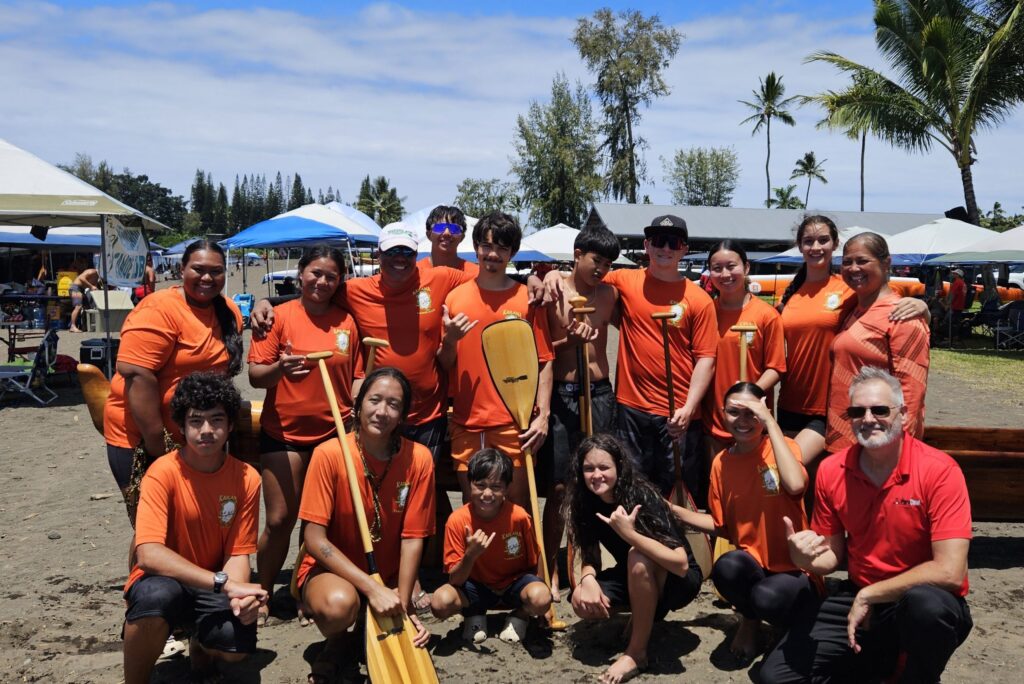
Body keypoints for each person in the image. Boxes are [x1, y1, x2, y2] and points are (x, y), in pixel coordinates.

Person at [760, 367, 973, 683]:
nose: (868, 418)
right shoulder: (833, 470)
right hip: (860, 592)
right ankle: (878, 664)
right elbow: (832, 554)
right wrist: (805, 559)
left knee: (927, 608)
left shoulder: (939, 471)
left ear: (902, 414)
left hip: (917, 598)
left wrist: (871, 594)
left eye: (880, 409)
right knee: (774, 677)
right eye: (857, 411)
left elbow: (950, 572)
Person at [550, 214, 717, 505]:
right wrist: (550, 274)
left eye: (673, 242)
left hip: (676, 413)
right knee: (631, 489)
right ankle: (639, 549)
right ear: (647, 246)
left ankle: (677, 550)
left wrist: (689, 408)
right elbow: (581, 275)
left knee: (677, 490)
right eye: (658, 241)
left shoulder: (699, 298)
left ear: (684, 249)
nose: (665, 248)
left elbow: (706, 358)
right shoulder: (623, 280)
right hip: (631, 409)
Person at [122, 371, 266, 684]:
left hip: (214, 580)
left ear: (230, 426)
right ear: (182, 426)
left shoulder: (247, 479)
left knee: (236, 640)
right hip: (163, 580)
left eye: (216, 420)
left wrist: (239, 597)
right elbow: (148, 554)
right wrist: (223, 584)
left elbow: (238, 553)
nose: (206, 431)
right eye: (196, 421)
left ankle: (201, 643)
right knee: (155, 598)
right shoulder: (162, 473)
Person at [297, 367, 435, 682]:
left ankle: (364, 626)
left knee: (400, 603)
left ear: (402, 415)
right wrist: (371, 588)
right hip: (331, 573)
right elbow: (314, 539)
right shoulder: (329, 454)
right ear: (358, 407)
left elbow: (413, 538)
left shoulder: (420, 459)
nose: (382, 411)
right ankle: (338, 640)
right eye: (374, 400)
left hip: (386, 574)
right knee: (338, 607)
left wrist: (405, 605)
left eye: (393, 404)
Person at [248, 246, 362, 626]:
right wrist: (280, 369)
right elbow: (255, 375)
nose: (322, 282)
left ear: (340, 280)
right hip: (284, 433)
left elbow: (357, 374)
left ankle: (303, 591)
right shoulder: (277, 317)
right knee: (281, 519)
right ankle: (262, 591)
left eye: (331, 276)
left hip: (336, 432)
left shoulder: (347, 320)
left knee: (318, 522)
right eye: (315, 273)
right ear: (299, 274)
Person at [674, 383, 816, 662]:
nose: (743, 421)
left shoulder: (784, 448)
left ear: (764, 415)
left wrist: (770, 422)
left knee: (767, 598)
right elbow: (721, 526)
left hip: (796, 569)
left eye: (751, 414)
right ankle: (751, 622)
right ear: (722, 414)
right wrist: (672, 511)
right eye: (734, 412)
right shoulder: (720, 464)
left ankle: (787, 628)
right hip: (754, 565)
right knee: (726, 568)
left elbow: (796, 485)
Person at [777, 216, 928, 466]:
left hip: (828, 409)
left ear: (834, 243)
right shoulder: (792, 294)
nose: (816, 247)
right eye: (808, 241)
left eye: (823, 240)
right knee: (808, 487)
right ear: (799, 246)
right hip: (790, 403)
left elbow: (891, 307)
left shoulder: (850, 288)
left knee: (789, 468)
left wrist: (923, 307)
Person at [104, 240, 243, 509]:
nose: (206, 278)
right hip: (143, 439)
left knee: (197, 519)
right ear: (182, 270)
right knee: (153, 524)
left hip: (200, 437)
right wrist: (159, 446)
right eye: (198, 269)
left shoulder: (229, 311)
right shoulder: (158, 309)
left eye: (216, 271)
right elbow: (138, 375)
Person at [439, 211, 554, 508]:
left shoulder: (526, 300)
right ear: (476, 246)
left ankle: (523, 557)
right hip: (467, 422)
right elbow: (445, 362)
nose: (493, 254)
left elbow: (544, 360)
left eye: (502, 248)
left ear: (513, 253)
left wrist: (542, 416)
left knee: (516, 506)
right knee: (474, 504)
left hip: (515, 424)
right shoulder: (455, 298)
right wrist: (449, 340)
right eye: (487, 246)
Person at [566, 433, 702, 684]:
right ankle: (645, 615)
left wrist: (628, 534)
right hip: (634, 571)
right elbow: (590, 555)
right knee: (580, 601)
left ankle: (636, 653)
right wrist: (588, 578)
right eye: (588, 468)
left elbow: (681, 564)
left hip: (677, 581)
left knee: (637, 556)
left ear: (619, 467)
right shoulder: (584, 501)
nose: (596, 475)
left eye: (604, 467)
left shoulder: (641, 497)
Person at [540, 226, 620, 597]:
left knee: (598, 483)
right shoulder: (553, 289)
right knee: (559, 487)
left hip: (600, 392)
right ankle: (550, 568)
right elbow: (542, 347)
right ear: (577, 254)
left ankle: (589, 565)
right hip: (563, 393)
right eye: (595, 260)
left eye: (607, 263)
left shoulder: (610, 294)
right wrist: (568, 340)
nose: (600, 269)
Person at [430, 449, 552, 644]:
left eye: (496, 486)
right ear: (469, 484)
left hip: (513, 585)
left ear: (507, 488)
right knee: (440, 602)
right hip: (476, 588)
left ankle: (521, 615)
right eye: (480, 485)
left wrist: (542, 607)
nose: (487, 493)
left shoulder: (519, 516)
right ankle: (473, 613)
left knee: (542, 598)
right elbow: (455, 579)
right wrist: (470, 555)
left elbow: (535, 560)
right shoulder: (457, 520)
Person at [825, 232, 930, 453]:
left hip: (880, 444)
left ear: (886, 263)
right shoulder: (852, 309)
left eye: (862, 261)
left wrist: (901, 449)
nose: (853, 268)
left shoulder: (903, 315)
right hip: (845, 435)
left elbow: (911, 391)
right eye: (847, 262)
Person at [701, 240, 786, 455]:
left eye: (731, 266)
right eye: (717, 268)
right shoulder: (705, 312)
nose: (725, 274)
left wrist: (748, 396)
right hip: (713, 423)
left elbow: (775, 367)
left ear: (746, 268)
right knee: (717, 484)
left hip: (752, 421)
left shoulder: (766, 315)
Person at [417, 204, 480, 274]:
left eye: (454, 228)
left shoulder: (476, 274)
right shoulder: (415, 272)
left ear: (462, 237)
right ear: (428, 235)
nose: (447, 233)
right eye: (439, 227)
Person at [68, 266, 102, 333]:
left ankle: (85, 326)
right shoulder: (92, 271)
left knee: (87, 306)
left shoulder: (97, 277)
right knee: (78, 306)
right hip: (76, 288)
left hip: (81, 289)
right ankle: (72, 326)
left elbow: (94, 287)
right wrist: (91, 286)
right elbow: (81, 278)